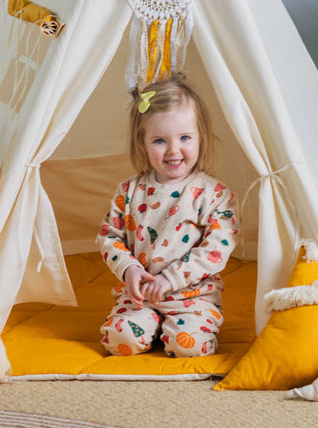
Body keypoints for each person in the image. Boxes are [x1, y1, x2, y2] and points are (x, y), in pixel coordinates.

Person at [96, 76, 240, 358]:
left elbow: (216, 249)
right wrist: (128, 269)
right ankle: (151, 327)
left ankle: (178, 330)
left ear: (201, 137)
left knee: (189, 347)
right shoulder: (129, 190)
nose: (174, 150)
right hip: (141, 295)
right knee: (118, 341)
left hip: (192, 296)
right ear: (143, 143)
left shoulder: (215, 194)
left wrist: (172, 279)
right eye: (160, 140)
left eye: (185, 138)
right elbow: (109, 237)